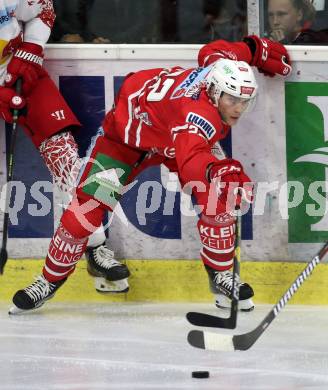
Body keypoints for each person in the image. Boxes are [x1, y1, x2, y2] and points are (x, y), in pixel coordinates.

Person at [8, 34, 292, 314]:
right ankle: (47, 281)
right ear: (215, 91)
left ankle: (220, 277)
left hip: (164, 132)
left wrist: (253, 49)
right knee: (83, 213)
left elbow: (214, 49)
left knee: (219, 195)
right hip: (124, 143)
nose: (239, 108)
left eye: (245, 100)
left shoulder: (215, 69)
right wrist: (216, 169)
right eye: (233, 99)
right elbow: (191, 158)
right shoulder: (198, 118)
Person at [0, 0, 128, 293]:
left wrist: (31, 48)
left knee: (65, 156)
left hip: (19, 76)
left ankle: (94, 245)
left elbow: (44, 10)